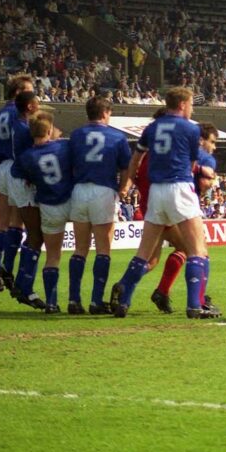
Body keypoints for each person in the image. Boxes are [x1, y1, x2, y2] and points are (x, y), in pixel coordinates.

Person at [109, 87, 217, 319]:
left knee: (143, 253)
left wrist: (129, 184)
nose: (191, 109)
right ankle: (195, 305)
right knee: (198, 250)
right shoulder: (191, 129)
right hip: (179, 187)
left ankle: (123, 301)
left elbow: (135, 161)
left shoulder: (152, 128)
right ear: (182, 105)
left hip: (156, 192)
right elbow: (191, 164)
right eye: (190, 105)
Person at [67, 96, 132, 315]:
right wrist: (123, 188)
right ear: (105, 113)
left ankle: (74, 300)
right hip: (103, 191)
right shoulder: (117, 136)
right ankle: (96, 301)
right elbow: (126, 167)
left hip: (79, 190)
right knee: (103, 249)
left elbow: (68, 164)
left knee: (80, 249)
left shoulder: (76, 135)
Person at [149, 122, 219, 314]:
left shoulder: (171, 151)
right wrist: (207, 184)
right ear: (201, 140)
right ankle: (198, 301)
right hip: (180, 207)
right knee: (199, 252)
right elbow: (204, 184)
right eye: (212, 142)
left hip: (158, 204)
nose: (214, 147)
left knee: (151, 260)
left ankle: (129, 289)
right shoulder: (204, 158)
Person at [12, 112, 72, 314]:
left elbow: (17, 173)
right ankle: (80, 299)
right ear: (49, 131)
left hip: (48, 206)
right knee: (84, 249)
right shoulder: (63, 146)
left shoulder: (27, 156)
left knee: (52, 255)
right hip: (71, 202)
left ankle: (52, 303)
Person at [0, 75, 34, 293]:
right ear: (17, 93)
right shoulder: (21, 114)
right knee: (19, 223)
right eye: (28, 91)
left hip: (2, 167)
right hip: (18, 167)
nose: (32, 96)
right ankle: (7, 268)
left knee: (2, 222)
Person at [8, 90, 47, 309]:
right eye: (38, 102)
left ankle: (22, 284)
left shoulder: (17, 124)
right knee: (36, 234)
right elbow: (30, 156)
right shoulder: (25, 128)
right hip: (24, 182)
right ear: (30, 107)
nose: (39, 106)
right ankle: (25, 287)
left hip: (18, 180)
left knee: (34, 234)